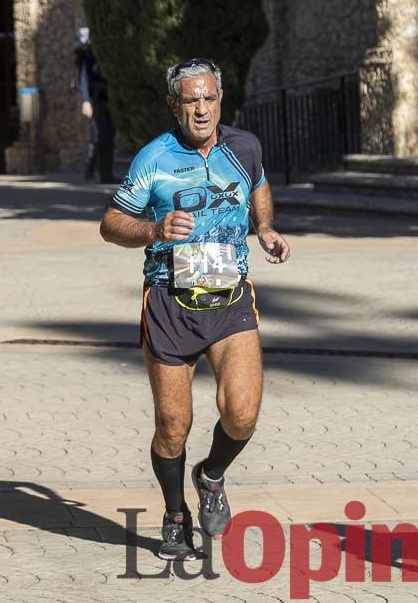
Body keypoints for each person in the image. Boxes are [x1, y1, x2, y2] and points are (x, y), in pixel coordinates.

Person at [99, 58, 291, 560]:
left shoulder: (243, 147)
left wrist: (265, 227)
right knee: (172, 425)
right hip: (169, 300)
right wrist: (154, 230)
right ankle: (174, 515)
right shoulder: (154, 158)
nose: (200, 109)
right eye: (190, 101)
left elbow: (258, 185)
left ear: (220, 99)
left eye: (208, 98)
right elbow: (111, 223)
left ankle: (211, 475)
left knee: (243, 413)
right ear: (175, 105)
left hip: (229, 297)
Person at [75, 27, 118, 183]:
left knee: (110, 136)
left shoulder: (109, 50)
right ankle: (90, 168)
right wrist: (86, 100)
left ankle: (106, 174)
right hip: (96, 99)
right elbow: (84, 78)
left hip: (110, 99)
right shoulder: (90, 53)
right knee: (101, 134)